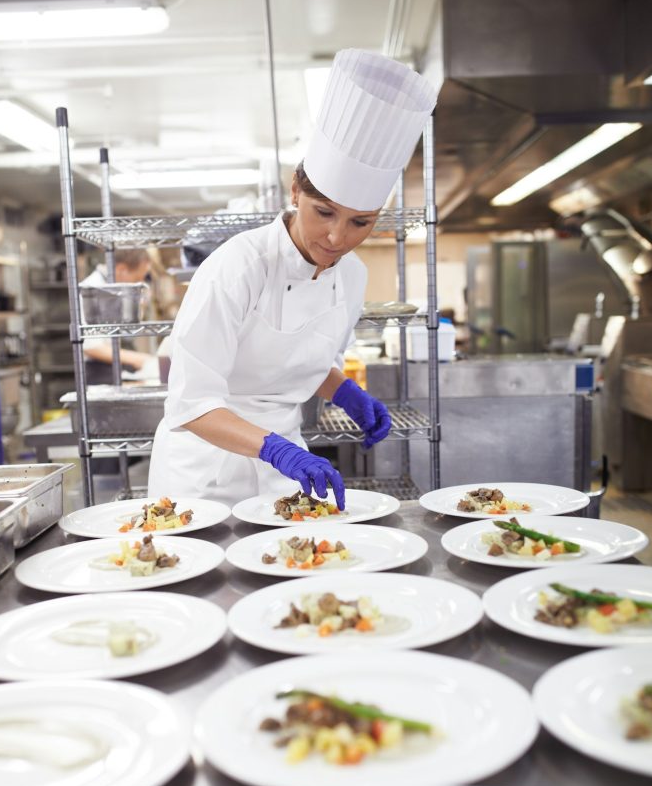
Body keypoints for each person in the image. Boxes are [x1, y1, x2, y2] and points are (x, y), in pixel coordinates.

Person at [148, 49, 436, 507]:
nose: (337, 237)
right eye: (324, 212)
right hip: (204, 473)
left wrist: (345, 391)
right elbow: (191, 404)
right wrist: (272, 448)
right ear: (296, 191)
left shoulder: (352, 276)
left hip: (283, 470)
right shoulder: (237, 266)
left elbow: (305, 357)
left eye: (360, 223)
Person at [79, 247, 156, 384]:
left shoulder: (119, 289)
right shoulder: (91, 291)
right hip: (101, 373)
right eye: (137, 278)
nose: (139, 283)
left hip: (122, 366)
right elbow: (91, 347)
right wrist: (141, 359)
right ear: (121, 269)